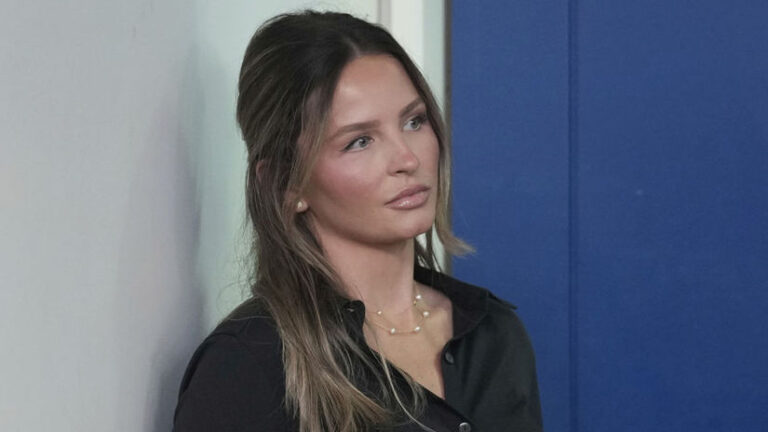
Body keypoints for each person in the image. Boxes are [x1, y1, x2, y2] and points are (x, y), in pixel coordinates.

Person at [173, 10, 542, 432]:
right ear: (285, 183)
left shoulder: (495, 335)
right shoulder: (246, 366)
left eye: (414, 121)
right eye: (359, 141)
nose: (407, 158)